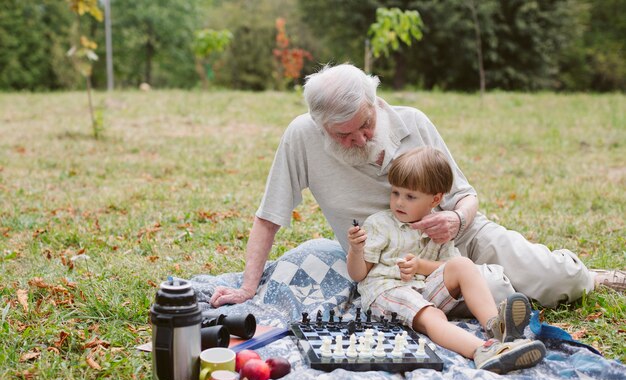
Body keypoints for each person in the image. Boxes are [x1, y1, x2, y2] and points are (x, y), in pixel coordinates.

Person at [210, 63, 618, 309]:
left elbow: (467, 196)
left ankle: (590, 276)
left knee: (561, 281)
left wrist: (456, 220)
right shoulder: (301, 137)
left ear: (375, 102)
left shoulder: (414, 122)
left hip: (460, 235)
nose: (359, 139)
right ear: (321, 127)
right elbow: (270, 216)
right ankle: (504, 293)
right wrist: (248, 286)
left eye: (365, 125)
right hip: (397, 266)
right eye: (343, 135)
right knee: (492, 289)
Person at [346, 147, 546, 373]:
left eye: (410, 196)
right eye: (395, 193)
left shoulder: (439, 227)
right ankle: (483, 350)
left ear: (436, 199)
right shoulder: (380, 224)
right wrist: (356, 250)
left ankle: (496, 326)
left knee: (463, 265)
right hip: (387, 292)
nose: (399, 202)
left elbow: (448, 266)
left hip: (423, 289)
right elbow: (358, 275)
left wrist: (421, 266)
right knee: (434, 315)